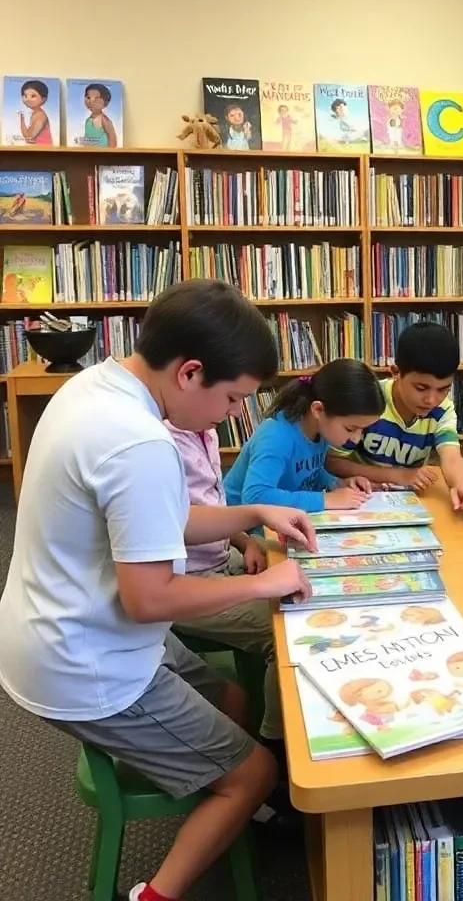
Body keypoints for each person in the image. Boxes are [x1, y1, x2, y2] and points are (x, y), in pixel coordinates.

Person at [0, 280, 316, 901]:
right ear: (191, 372)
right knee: (257, 774)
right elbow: (151, 598)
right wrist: (273, 581)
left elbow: (159, 520)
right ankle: (156, 893)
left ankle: (220, 810)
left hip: (61, 623)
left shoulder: (97, 387)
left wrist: (252, 511)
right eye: (232, 399)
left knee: (231, 699)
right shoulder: (140, 442)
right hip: (86, 662)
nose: (232, 415)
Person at [165, 422, 284, 762]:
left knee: (294, 565)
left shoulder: (206, 428)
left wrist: (245, 540)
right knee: (284, 635)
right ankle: (275, 745)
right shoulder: (159, 444)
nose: (236, 411)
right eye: (232, 397)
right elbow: (170, 526)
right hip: (187, 583)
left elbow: (210, 508)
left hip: (222, 557)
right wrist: (258, 584)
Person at [326, 321, 463, 513]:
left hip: (410, 502)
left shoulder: (443, 410)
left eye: (443, 389)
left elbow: (451, 457)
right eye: (421, 388)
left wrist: (462, 485)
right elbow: (333, 462)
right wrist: (397, 475)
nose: (431, 400)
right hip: (361, 497)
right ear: (395, 373)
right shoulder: (369, 402)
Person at [223, 358, 384, 513]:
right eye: (350, 428)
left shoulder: (319, 431)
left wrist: (338, 484)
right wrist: (325, 500)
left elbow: (308, 471)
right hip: (239, 531)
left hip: (280, 519)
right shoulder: (276, 436)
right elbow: (255, 496)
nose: (356, 439)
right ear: (318, 410)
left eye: (362, 430)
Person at [82, 82, 118, 147]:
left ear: (106, 102)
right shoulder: (88, 120)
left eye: (97, 98)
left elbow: (112, 138)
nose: (91, 101)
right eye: (88, 97)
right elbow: (87, 139)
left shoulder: (104, 120)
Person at [18, 79, 53, 145]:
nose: (28, 99)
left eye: (33, 96)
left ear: (43, 99)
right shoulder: (35, 113)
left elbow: (29, 137)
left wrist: (21, 119)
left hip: (42, 150)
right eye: (25, 96)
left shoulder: (40, 115)